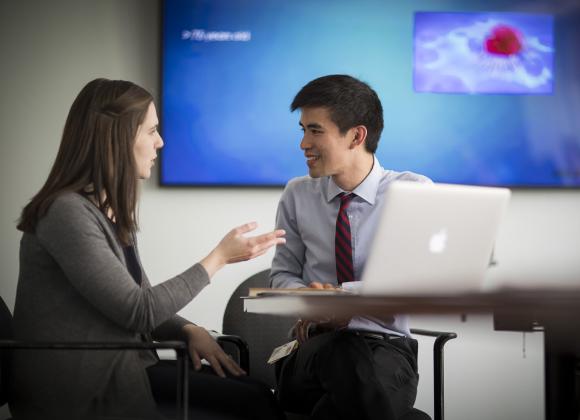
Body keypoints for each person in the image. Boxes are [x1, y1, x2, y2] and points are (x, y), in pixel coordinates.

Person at [11, 78, 286, 420]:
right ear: (119, 138)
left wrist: (189, 330)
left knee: (255, 392)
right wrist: (218, 259)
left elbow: (139, 303)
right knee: (253, 402)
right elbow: (138, 311)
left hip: (126, 368)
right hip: (81, 386)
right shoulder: (66, 213)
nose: (160, 142)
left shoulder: (108, 212)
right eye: (151, 131)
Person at [270, 75, 432, 420]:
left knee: (345, 396)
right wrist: (312, 301)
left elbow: (417, 282)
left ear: (356, 136)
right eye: (302, 130)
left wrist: (344, 299)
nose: (303, 143)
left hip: (387, 351)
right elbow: (281, 274)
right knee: (344, 354)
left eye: (315, 131)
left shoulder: (414, 192)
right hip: (309, 351)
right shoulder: (297, 195)